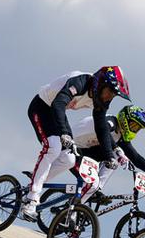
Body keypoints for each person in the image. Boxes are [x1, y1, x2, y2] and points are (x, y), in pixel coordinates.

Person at [21, 66, 131, 220]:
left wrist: (109, 156)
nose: (109, 97)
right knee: (53, 147)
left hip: (57, 113)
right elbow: (58, 103)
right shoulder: (81, 82)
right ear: (100, 84)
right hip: (42, 107)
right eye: (109, 92)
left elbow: (101, 129)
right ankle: (31, 198)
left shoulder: (101, 100)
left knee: (69, 159)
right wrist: (65, 133)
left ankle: (32, 186)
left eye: (113, 95)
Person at [70, 105, 145, 206]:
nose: (134, 130)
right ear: (125, 119)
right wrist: (117, 149)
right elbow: (104, 131)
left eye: (137, 129)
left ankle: (96, 189)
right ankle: (72, 207)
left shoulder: (119, 136)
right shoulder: (111, 122)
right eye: (134, 126)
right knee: (115, 155)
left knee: (116, 157)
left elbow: (135, 157)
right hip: (70, 147)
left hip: (84, 151)